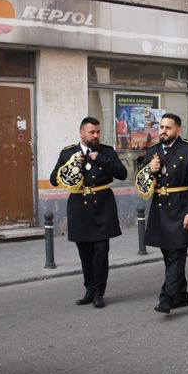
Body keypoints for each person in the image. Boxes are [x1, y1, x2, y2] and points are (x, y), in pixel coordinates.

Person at [50, 117, 128, 308]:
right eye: (92, 132)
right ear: (82, 133)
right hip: (79, 207)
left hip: (103, 206)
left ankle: (99, 292)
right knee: (84, 252)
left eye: (98, 132)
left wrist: (100, 159)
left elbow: (122, 173)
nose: (96, 136)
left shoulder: (106, 152)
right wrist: (70, 165)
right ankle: (89, 290)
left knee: (101, 251)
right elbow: (54, 179)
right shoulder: (68, 152)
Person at [139, 113, 188, 314]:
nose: (163, 131)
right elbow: (142, 180)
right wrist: (149, 169)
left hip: (181, 209)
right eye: (162, 127)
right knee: (168, 254)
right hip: (160, 210)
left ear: (178, 130)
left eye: (168, 128)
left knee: (176, 254)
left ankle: (166, 297)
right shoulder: (153, 151)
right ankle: (181, 295)